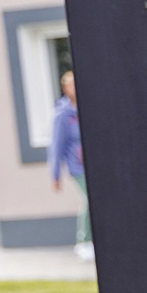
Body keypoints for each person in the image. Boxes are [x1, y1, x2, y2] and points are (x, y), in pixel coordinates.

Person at [47, 71, 89, 261]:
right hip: (77, 166)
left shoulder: (86, 107)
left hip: (92, 165)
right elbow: (56, 146)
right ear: (65, 88)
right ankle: (83, 241)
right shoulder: (62, 114)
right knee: (88, 200)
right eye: (70, 84)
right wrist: (55, 175)